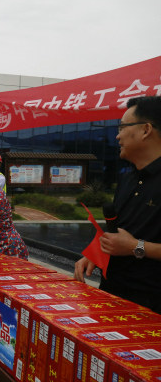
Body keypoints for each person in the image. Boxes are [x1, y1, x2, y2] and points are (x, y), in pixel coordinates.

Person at [75, 96, 161, 314]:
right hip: (111, 295)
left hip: (150, 308)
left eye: (122, 127)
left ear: (146, 130)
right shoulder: (128, 178)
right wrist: (95, 253)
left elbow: (129, 243)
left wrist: (135, 247)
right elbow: (119, 230)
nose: (117, 135)